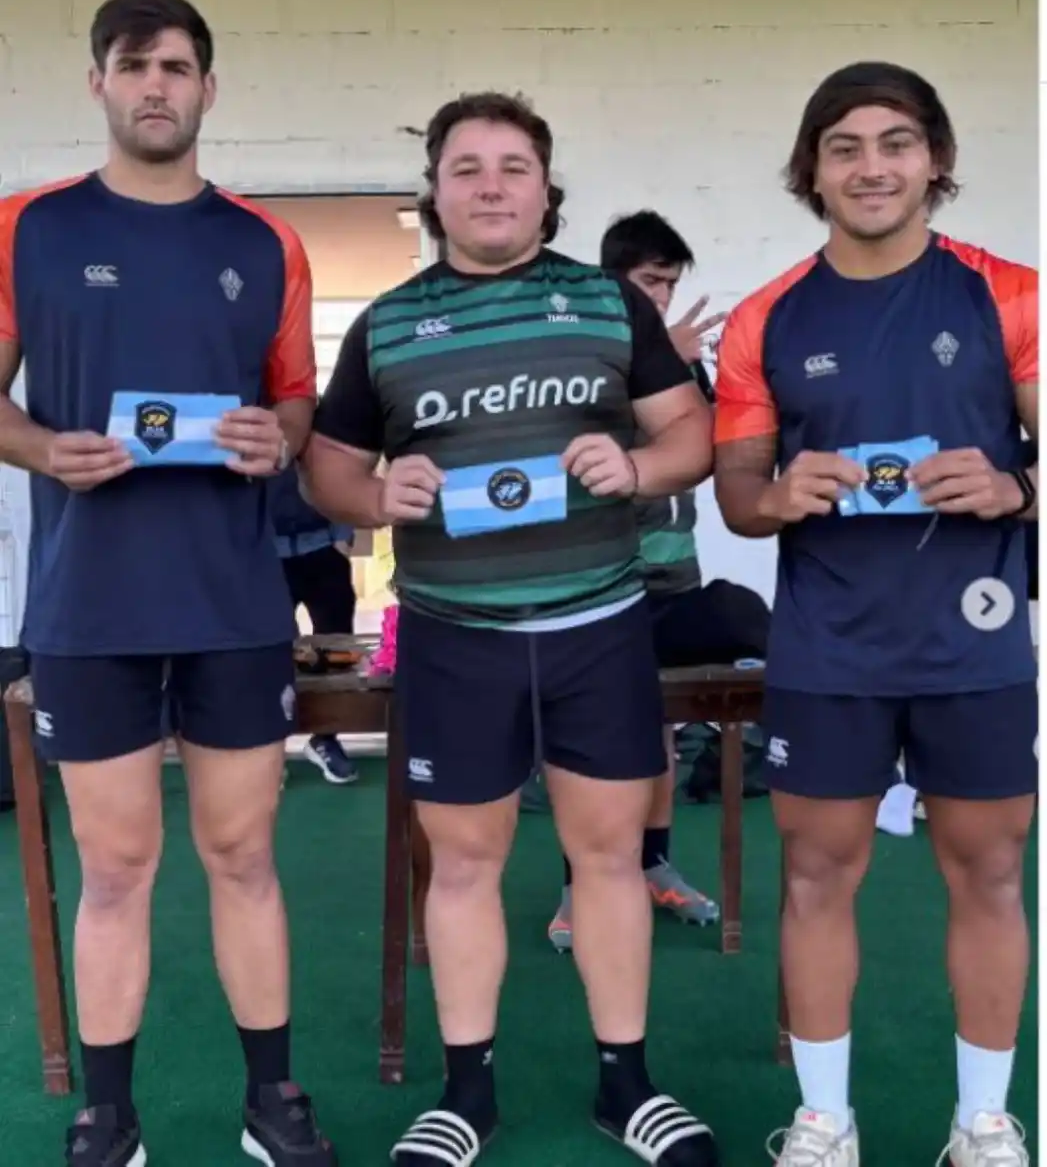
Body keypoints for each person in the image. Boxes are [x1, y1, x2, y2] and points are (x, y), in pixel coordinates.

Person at [301, 92, 720, 1167]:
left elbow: (689, 434)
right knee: (465, 866)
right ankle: (465, 1095)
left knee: (610, 860)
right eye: (468, 168)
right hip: (454, 635)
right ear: (435, 192)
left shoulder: (605, 303)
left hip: (600, 626)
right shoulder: (389, 324)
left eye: (514, 166)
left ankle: (627, 1086)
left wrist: (637, 466)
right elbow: (333, 466)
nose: (491, 185)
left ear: (546, 186)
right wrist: (373, 496)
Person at [0, 0, 337, 1167]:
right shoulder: (23, 226)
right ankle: (109, 1111)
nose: (157, 85)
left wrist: (277, 438)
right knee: (116, 866)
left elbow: (294, 398)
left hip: (234, 603)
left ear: (209, 87)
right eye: (135, 64)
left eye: (178, 66)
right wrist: (46, 448)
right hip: (89, 607)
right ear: (97, 82)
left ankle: (272, 1098)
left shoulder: (264, 242)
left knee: (244, 855)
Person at [713, 61, 1037, 1167]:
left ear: (936, 160)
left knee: (990, 873)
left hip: (977, 638)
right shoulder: (765, 317)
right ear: (812, 169)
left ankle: (984, 1123)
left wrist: (1014, 488)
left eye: (896, 143)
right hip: (829, 643)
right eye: (844, 147)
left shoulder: (1011, 293)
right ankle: (824, 1122)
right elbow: (739, 494)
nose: (871, 167)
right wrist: (776, 496)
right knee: (815, 875)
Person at [548, 210, 770, 952]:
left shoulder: (680, 367)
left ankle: (654, 866)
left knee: (662, 736)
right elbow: (575, 464)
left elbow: (706, 451)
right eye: (649, 282)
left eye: (670, 285)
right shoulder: (579, 358)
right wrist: (647, 366)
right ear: (612, 283)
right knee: (591, 746)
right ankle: (580, 886)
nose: (662, 299)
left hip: (675, 585)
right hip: (601, 590)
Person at [271, 464, 360, 783]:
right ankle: (269, 748)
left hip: (324, 550)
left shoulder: (317, 422)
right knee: (270, 656)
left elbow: (342, 474)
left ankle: (325, 739)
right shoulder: (245, 416)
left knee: (336, 652)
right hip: (265, 558)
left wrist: (343, 539)